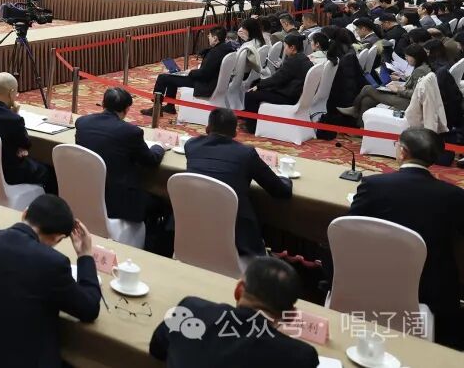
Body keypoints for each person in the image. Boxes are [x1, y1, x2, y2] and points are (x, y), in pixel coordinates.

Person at [348, 127, 464, 348]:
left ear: (402, 152)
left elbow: (350, 229)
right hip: (430, 288)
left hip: (373, 276)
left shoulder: (373, 185)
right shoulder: (454, 195)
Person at [0, 195, 99, 368]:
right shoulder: (53, 263)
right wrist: (85, 256)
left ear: (24, 214)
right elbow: (89, 309)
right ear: (58, 238)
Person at [149, 256, 320, 367]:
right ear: (290, 316)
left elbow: (157, 350)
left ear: (238, 290)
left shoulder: (191, 310)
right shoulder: (299, 357)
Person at [184, 108, 292, 259]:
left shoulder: (191, 146)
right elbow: (280, 191)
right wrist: (286, 179)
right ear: (235, 133)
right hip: (238, 242)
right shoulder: (246, 154)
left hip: (192, 233)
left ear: (207, 129)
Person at [74, 88, 165, 235]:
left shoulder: (82, 122)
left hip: (85, 192)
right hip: (118, 201)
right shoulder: (131, 132)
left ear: (103, 103)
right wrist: (159, 147)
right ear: (127, 109)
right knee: (162, 203)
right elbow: (151, 160)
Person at [0, 72, 57, 194]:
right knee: (50, 171)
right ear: (11, 93)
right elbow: (26, 144)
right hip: (10, 172)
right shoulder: (13, 119)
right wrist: (15, 114)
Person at [143, 27, 229, 116]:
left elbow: (204, 74)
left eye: (209, 36)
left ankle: (156, 108)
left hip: (204, 84)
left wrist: (190, 73)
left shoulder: (215, 53)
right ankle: (170, 106)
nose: (208, 38)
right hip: (212, 81)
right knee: (173, 77)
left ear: (215, 38)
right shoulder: (226, 49)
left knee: (163, 78)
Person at [338, 43, 431, 119]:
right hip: (407, 99)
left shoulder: (420, 70)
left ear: (415, 56)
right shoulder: (423, 66)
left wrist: (397, 90)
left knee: (367, 88)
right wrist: (403, 78)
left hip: (406, 102)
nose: (406, 59)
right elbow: (415, 82)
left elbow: (416, 93)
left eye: (407, 56)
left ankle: (354, 109)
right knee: (367, 101)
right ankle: (362, 129)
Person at [242, 34, 312, 132]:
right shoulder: (304, 59)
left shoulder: (293, 61)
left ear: (292, 47)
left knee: (250, 95)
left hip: (287, 96)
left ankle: (252, 127)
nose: (284, 50)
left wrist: (259, 85)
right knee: (257, 86)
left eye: (285, 47)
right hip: (295, 94)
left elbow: (277, 80)